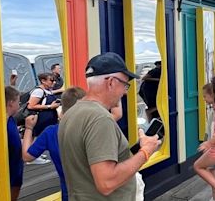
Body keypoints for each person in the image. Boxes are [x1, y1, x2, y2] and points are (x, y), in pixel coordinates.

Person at [58, 52, 161, 200]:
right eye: (125, 85)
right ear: (111, 82)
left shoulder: (70, 113)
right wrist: (145, 152)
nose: (125, 92)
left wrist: (134, 150)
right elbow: (106, 182)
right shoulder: (100, 119)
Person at [22, 87, 86, 201]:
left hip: (69, 193)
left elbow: (27, 156)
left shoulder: (50, 132)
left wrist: (28, 128)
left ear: (62, 110)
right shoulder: (92, 129)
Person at [5, 86, 36, 200]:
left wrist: (12, 83)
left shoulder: (10, 118)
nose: (19, 105)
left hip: (15, 164)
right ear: (11, 103)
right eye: (18, 102)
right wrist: (29, 128)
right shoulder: (6, 122)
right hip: (12, 168)